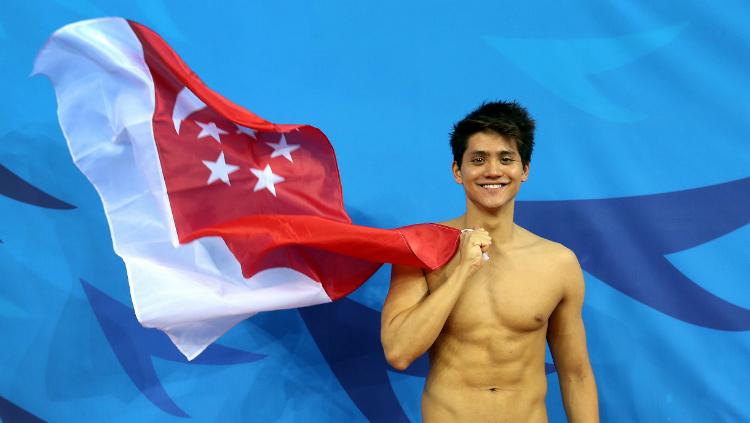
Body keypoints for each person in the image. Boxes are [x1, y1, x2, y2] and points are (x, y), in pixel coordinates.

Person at [380, 101, 599, 422]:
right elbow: (399, 353)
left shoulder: (558, 263)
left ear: (525, 170)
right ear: (458, 170)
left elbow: (576, 375)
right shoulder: (422, 251)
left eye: (506, 159)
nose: (493, 171)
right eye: (478, 159)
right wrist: (461, 271)